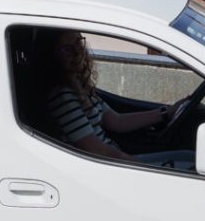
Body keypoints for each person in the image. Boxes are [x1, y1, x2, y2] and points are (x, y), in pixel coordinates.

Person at [47, 32, 167, 163]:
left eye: (78, 42)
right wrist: (142, 166)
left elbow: (117, 121)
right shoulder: (63, 98)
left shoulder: (80, 87)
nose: (77, 53)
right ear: (53, 56)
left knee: (186, 156)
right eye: (67, 49)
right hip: (107, 168)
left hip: (115, 162)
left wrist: (165, 113)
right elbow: (94, 149)